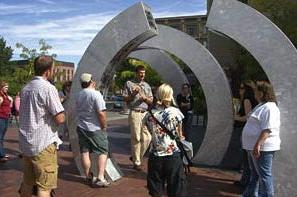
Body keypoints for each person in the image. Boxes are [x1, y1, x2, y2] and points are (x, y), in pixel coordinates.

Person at [19, 55, 65, 197]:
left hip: (27, 143)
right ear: (48, 71)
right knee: (44, 186)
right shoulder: (48, 88)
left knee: (27, 183)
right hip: (43, 144)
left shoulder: (25, 88)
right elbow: (60, 118)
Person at [144, 83, 187, 197]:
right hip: (172, 155)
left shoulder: (149, 115)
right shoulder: (176, 113)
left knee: (156, 191)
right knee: (175, 190)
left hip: (155, 157)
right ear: (170, 95)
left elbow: (150, 133)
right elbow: (180, 135)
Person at [242, 81, 281, 197]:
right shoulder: (261, 106)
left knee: (264, 176)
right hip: (252, 147)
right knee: (255, 175)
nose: (254, 93)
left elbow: (267, 129)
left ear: (262, 93)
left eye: (256, 91)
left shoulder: (270, 108)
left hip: (262, 148)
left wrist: (258, 145)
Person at [76, 73, 110, 187]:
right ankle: (100, 177)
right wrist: (104, 125)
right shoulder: (96, 94)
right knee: (103, 151)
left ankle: (87, 176)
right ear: (91, 81)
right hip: (95, 128)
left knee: (84, 151)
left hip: (81, 127)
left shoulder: (79, 94)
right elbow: (101, 113)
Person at [123, 65, 153, 171]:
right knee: (136, 137)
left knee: (148, 138)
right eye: (140, 73)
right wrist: (133, 94)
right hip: (135, 112)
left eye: (144, 73)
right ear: (136, 73)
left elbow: (151, 101)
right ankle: (137, 162)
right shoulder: (129, 83)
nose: (142, 75)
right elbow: (126, 99)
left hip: (145, 113)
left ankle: (136, 156)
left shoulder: (147, 85)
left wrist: (145, 99)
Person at [233, 81, 258, 188]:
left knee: (245, 157)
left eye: (242, 88)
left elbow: (248, 117)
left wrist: (236, 118)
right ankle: (246, 181)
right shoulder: (251, 100)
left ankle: (245, 181)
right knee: (247, 158)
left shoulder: (247, 100)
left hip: (245, 130)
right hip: (250, 131)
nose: (240, 90)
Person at [0, 81, 12, 162]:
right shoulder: (0, 97)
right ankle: (1, 155)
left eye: (7, 87)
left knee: (2, 137)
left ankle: (2, 153)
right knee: (0, 137)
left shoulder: (6, 96)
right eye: (5, 87)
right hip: (1, 117)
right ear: (1, 87)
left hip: (6, 117)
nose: (7, 89)